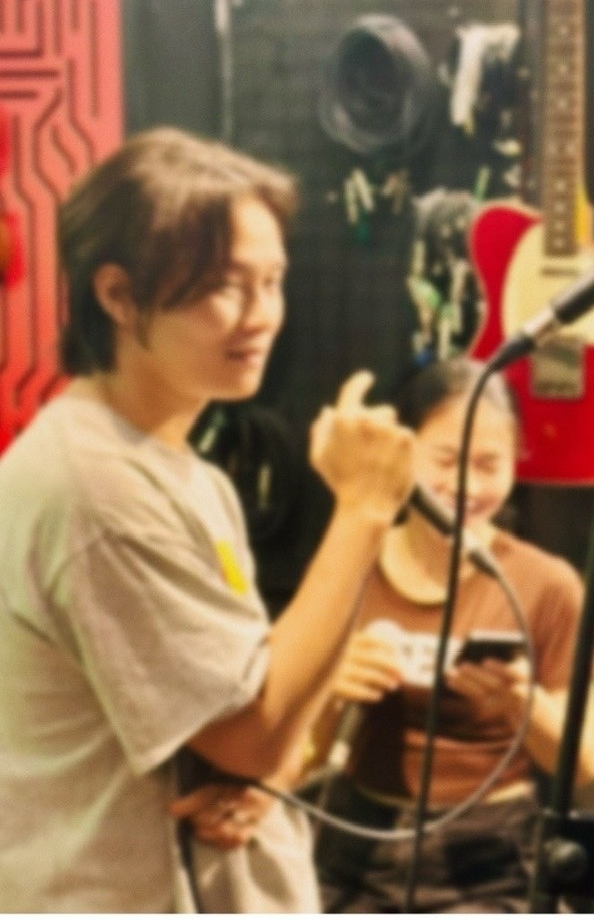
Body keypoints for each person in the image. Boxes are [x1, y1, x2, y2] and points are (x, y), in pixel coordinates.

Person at [0, 127, 417, 911]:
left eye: (273, 282)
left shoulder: (184, 472)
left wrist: (265, 774)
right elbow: (253, 732)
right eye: (226, 286)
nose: (262, 317)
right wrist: (363, 509)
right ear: (118, 295)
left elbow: (262, 724)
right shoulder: (97, 488)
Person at [309, 356, 594, 912]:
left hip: (491, 856)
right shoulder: (351, 561)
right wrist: (329, 689)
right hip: (358, 841)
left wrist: (522, 702)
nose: (467, 485)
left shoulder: (546, 584)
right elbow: (298, 757)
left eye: (490, 464)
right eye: (445, 461)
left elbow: (583, 762)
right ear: (404, 450)